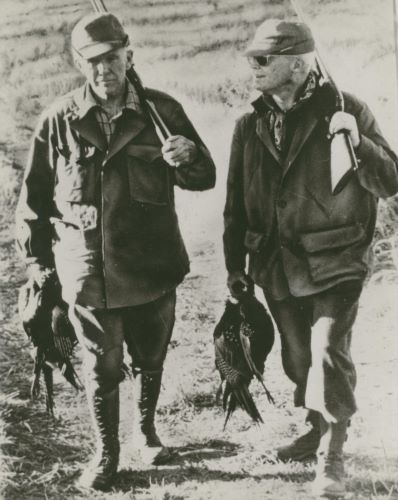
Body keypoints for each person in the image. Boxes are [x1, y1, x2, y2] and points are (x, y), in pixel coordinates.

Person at [16, 12, 215, 491]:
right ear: (79, 64)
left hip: (153, 263)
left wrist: (188, 157)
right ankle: (106, 453)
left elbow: (203, 178)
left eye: (111, 58)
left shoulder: (160, 112)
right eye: (92, 62)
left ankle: (146, 431)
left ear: (129, 54)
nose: (103, 70)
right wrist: (39, 263)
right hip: (89, 267)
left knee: (151, 356)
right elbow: (35, 199)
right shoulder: (59, 119)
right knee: (101, 365)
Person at [223, 18, 398, 497]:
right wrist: (234, 268)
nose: (253, 68)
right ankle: (314, 424)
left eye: (264, 60)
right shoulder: (250, 123)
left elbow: (390, 182)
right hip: (276, 266)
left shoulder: (346, 110)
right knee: (297, 357)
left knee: (326, 354)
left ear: (298, 66)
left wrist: (357, 141)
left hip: (336, 259)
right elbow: (236, 204)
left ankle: (331, 457)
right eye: (252, 59)